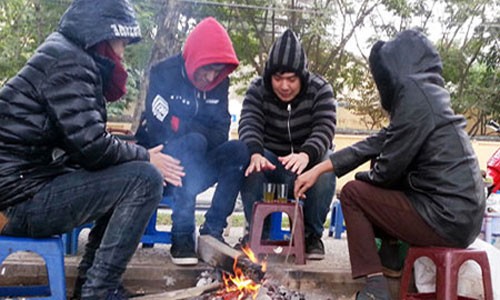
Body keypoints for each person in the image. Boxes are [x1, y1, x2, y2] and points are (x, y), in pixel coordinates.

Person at [0, 0, 185, 299]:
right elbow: (92, 147)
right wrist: (145, 156)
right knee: (145, 178)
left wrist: (129, 154)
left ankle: (92, 283)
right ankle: (99, 290)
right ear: (103, 34)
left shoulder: (66, 54)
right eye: (122, 42)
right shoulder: (69, 62)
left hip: (19, 189)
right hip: (17, 201)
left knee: (129, 175)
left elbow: (83, 142)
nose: (123, 51)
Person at [294, 29, 485, 299]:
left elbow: (385, 172)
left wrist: (360, 180)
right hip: (461, 216)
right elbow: (379, 141)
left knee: (352, 195)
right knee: (373, 180)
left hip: (445, 217)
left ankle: (375, 289)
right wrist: (320, 168)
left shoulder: (414, 96)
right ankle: (391, 260)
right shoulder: (429, 94)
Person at [135, 17, 249, 266]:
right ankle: (182, 233)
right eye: (206, 68)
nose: (210, 77)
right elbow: (158, 129)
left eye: (217, 71)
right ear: (194, 58)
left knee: (239, 150)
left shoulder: (220, 83)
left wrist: (184, 125)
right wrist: (195, 131)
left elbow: (221, 131)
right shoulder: (163, 72)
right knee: (194, 142)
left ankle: (213, 230)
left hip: (197, 169)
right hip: (159, 166)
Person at [238, 29, 337, 260]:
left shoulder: (321, 89)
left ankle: (312, 236)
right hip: (271, 161)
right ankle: (256, 233)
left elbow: (325, 127)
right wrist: (255, 153)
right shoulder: (256, 90)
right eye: (278, 78)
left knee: (326, 165)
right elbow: (249, 123)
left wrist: (306, 154)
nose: (284, 86)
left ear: (302, 77)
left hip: (306, 163)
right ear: (269, 76)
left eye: (291, 79)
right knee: (246, 158)